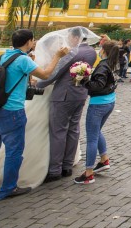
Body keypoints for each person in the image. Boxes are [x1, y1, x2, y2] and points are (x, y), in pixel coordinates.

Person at [0, 29, 69, 202]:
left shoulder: (3, 56)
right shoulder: (23, 60)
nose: (34, 43)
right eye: (33, 41)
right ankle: (8, 188)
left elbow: (11, 78)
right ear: (28, 42)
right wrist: (57, 56)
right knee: (14, 152)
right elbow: (46, 74)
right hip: (12, 112)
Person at [35, 26, 97, 182]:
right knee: (73, 129)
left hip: (64, 95)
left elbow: (56, 73)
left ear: (76, 38)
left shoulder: (73, 52)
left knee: (58, 131)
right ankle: (67, 166)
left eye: (69, 38)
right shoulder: (91, 52)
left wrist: (39, 84)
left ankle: (55, 168)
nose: (68, 41)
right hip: (80, 94)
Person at [75, 39, 119, 184]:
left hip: (98, 104)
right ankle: (104, 159)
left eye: (100, 49)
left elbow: (97, 85)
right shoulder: (114, 64)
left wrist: (83, 81)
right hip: (110, 101)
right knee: (97, 131)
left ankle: (88, 173)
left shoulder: (103, 66)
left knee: (92, 138)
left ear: (104, 51)